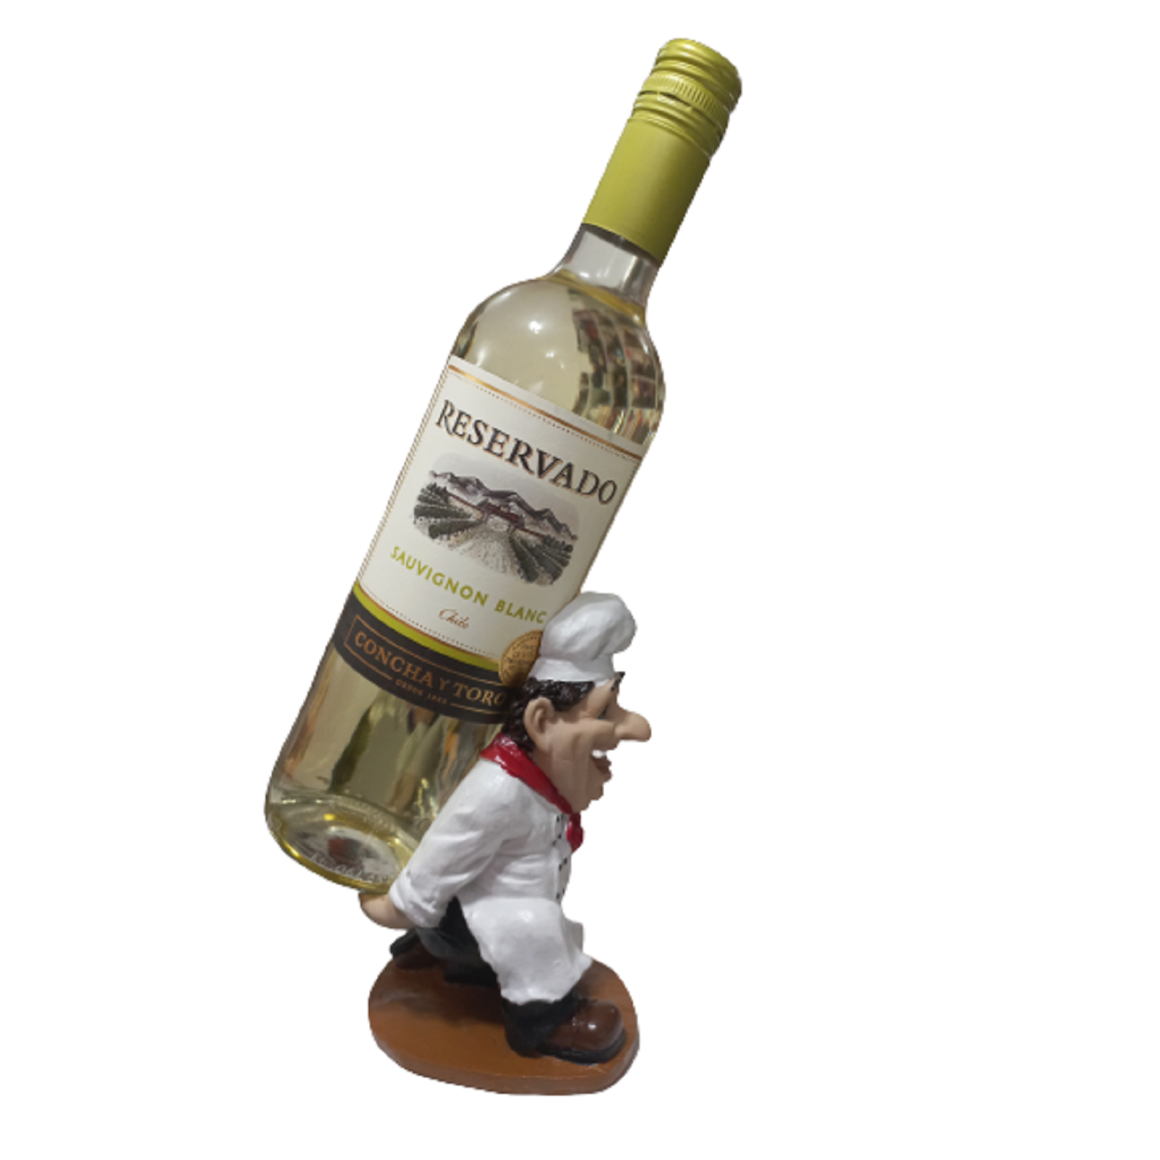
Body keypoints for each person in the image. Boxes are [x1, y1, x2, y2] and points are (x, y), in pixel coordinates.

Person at [359, 592, 651, 1064]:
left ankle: (459, 964)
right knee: (531, 925)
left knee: (527, 916)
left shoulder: (541, 779)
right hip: (465, 925)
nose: (636, 728)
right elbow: (443, 854)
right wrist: (398, 908)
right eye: (604, 713)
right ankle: (543, 1019)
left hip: (466, 921)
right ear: (542, 720)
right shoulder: (497, 789)